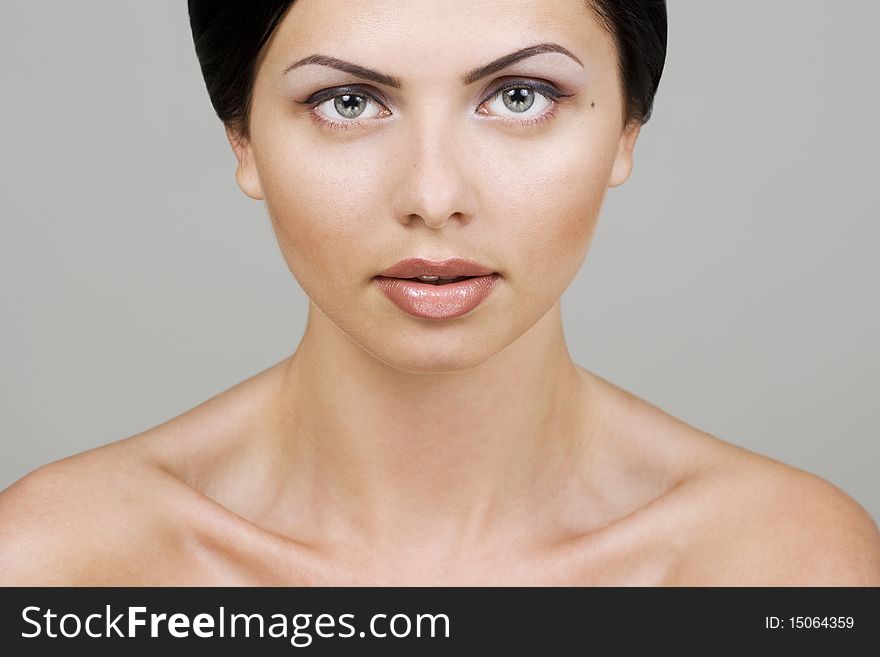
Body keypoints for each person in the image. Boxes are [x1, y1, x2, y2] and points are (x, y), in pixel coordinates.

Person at [1, 0, 878, 586]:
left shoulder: (789, 566)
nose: (432, 194)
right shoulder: (59, 564)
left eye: (521, 94)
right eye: (348, 102)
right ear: (243, 139)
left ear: (626, 128)